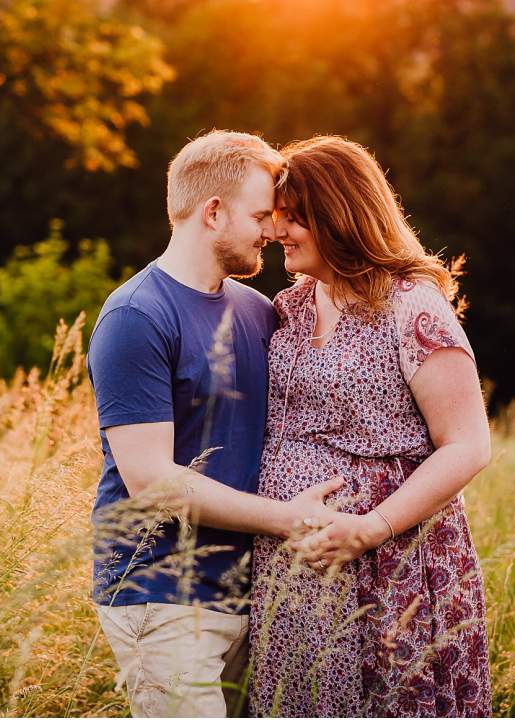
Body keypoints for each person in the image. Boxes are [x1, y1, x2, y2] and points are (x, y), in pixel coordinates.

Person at [86, 130, 345, 718]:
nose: (273, 231)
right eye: (260, 215)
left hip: (253, 590)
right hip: (161, 593)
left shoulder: (257, 311)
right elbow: (151, 478)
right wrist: (289, 518)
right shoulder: (137, 316)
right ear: (212, 212)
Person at [249, 135, 493, 717]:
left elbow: (468, 445)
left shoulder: (413, 306)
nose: (276, 232)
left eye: (292, 219)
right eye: (275, 217)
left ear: (337, 215)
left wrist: (371, 527)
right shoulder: (291, 305)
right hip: (295, 572)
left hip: (393, 565)